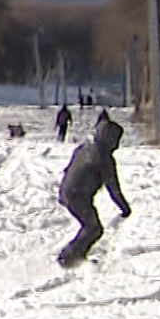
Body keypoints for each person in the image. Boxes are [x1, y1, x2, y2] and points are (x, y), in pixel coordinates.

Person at [56, 113, 131, 267]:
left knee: (89, 227)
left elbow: (67, 169)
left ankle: (76, 254)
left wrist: (63, 191)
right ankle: (68, 258)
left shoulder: (83, 148)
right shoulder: (104, 158)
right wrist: (125, 209)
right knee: (93, 229)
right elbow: (113, 187)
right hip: (79, 195)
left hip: (67, 191)